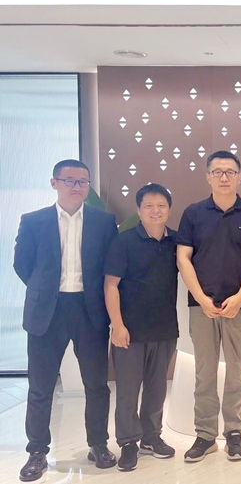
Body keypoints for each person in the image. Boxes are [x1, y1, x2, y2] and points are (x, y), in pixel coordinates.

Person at [14, 159, 118, 482]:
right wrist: (45, 291)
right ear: (54, 183)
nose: (77, 187)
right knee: (41, 386)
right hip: (48, 311)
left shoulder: (103, 221)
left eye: (83, 181)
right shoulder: (34, 221)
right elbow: (22, 265)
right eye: (70, 180)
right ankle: (37, 451)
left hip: (90, 310)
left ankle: (98, 444)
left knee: (96, 384)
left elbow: (110, 265)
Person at [176, 150, 241, 462]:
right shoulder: (193, 213)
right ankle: (205, 435)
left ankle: (234, 433)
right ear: (208, 177)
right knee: (204, 372)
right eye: (217, 172)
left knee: (236, 372)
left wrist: (240, 297)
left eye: (230, 172)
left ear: (239, 176)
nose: (224, 177)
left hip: (238, 306)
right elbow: (183, 258)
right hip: (201, 306)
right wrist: (201, 298)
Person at [104, 183, 179, 471]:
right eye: (148, 206)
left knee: (157, 388)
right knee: (127, 390)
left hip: (164, 329)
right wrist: (117, 325)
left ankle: (151, 437)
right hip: (130, 331)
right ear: (139, 210)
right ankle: (127, 442)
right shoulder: (123, 241)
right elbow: (111, 285)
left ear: (169, 210)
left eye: (161, 206)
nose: (155, 211)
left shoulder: (176, 242)